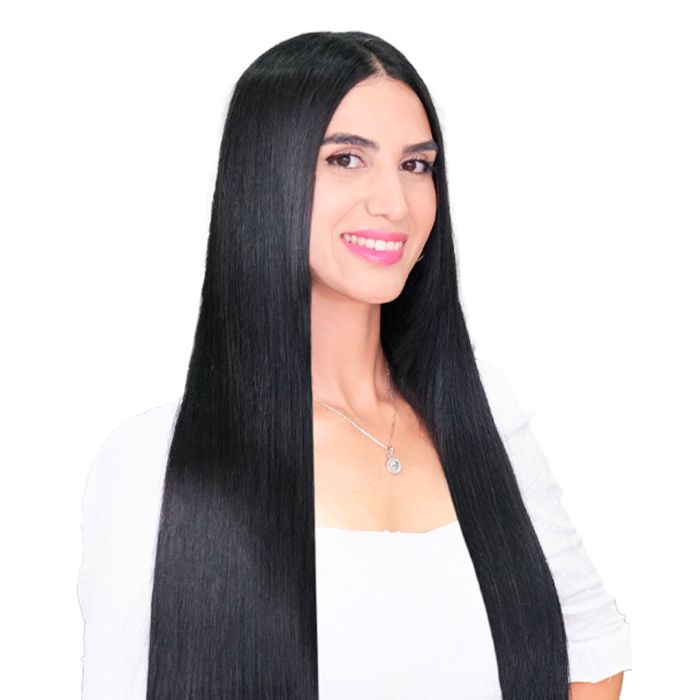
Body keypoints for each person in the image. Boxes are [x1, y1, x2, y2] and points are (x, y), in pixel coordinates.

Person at [78, 30, 632, 700]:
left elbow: (593, 646)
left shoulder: (482, 406)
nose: (394, 202)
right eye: (345, 159)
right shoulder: (154, 459)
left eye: (416, 165)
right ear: (263, 178)